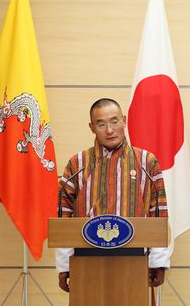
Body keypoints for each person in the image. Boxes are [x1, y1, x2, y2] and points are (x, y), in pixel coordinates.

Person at [56, 98, 169, 292]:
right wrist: (64, 265)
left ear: (124, 120)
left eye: (114, 121)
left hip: (135, 261)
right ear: (92, 127)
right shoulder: (77, 164)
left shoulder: (147, 162)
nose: (109, 130)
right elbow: (63, 216)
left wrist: (158, 261)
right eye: (101, 124)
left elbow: (158, 213)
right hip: (86, 261)